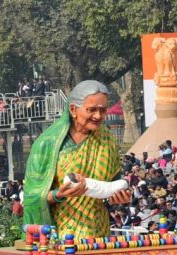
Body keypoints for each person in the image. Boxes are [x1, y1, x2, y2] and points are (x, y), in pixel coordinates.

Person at [23, 80, 131, 239]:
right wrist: (58, 195)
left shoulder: (107, 140)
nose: (98, 116)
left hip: (99, 231)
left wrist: (120, 197)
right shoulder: (47, 143)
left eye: (103, 110)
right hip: (62, 234)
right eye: (91, 110)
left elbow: (114, 183)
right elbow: (31, 198)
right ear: (73, 109)